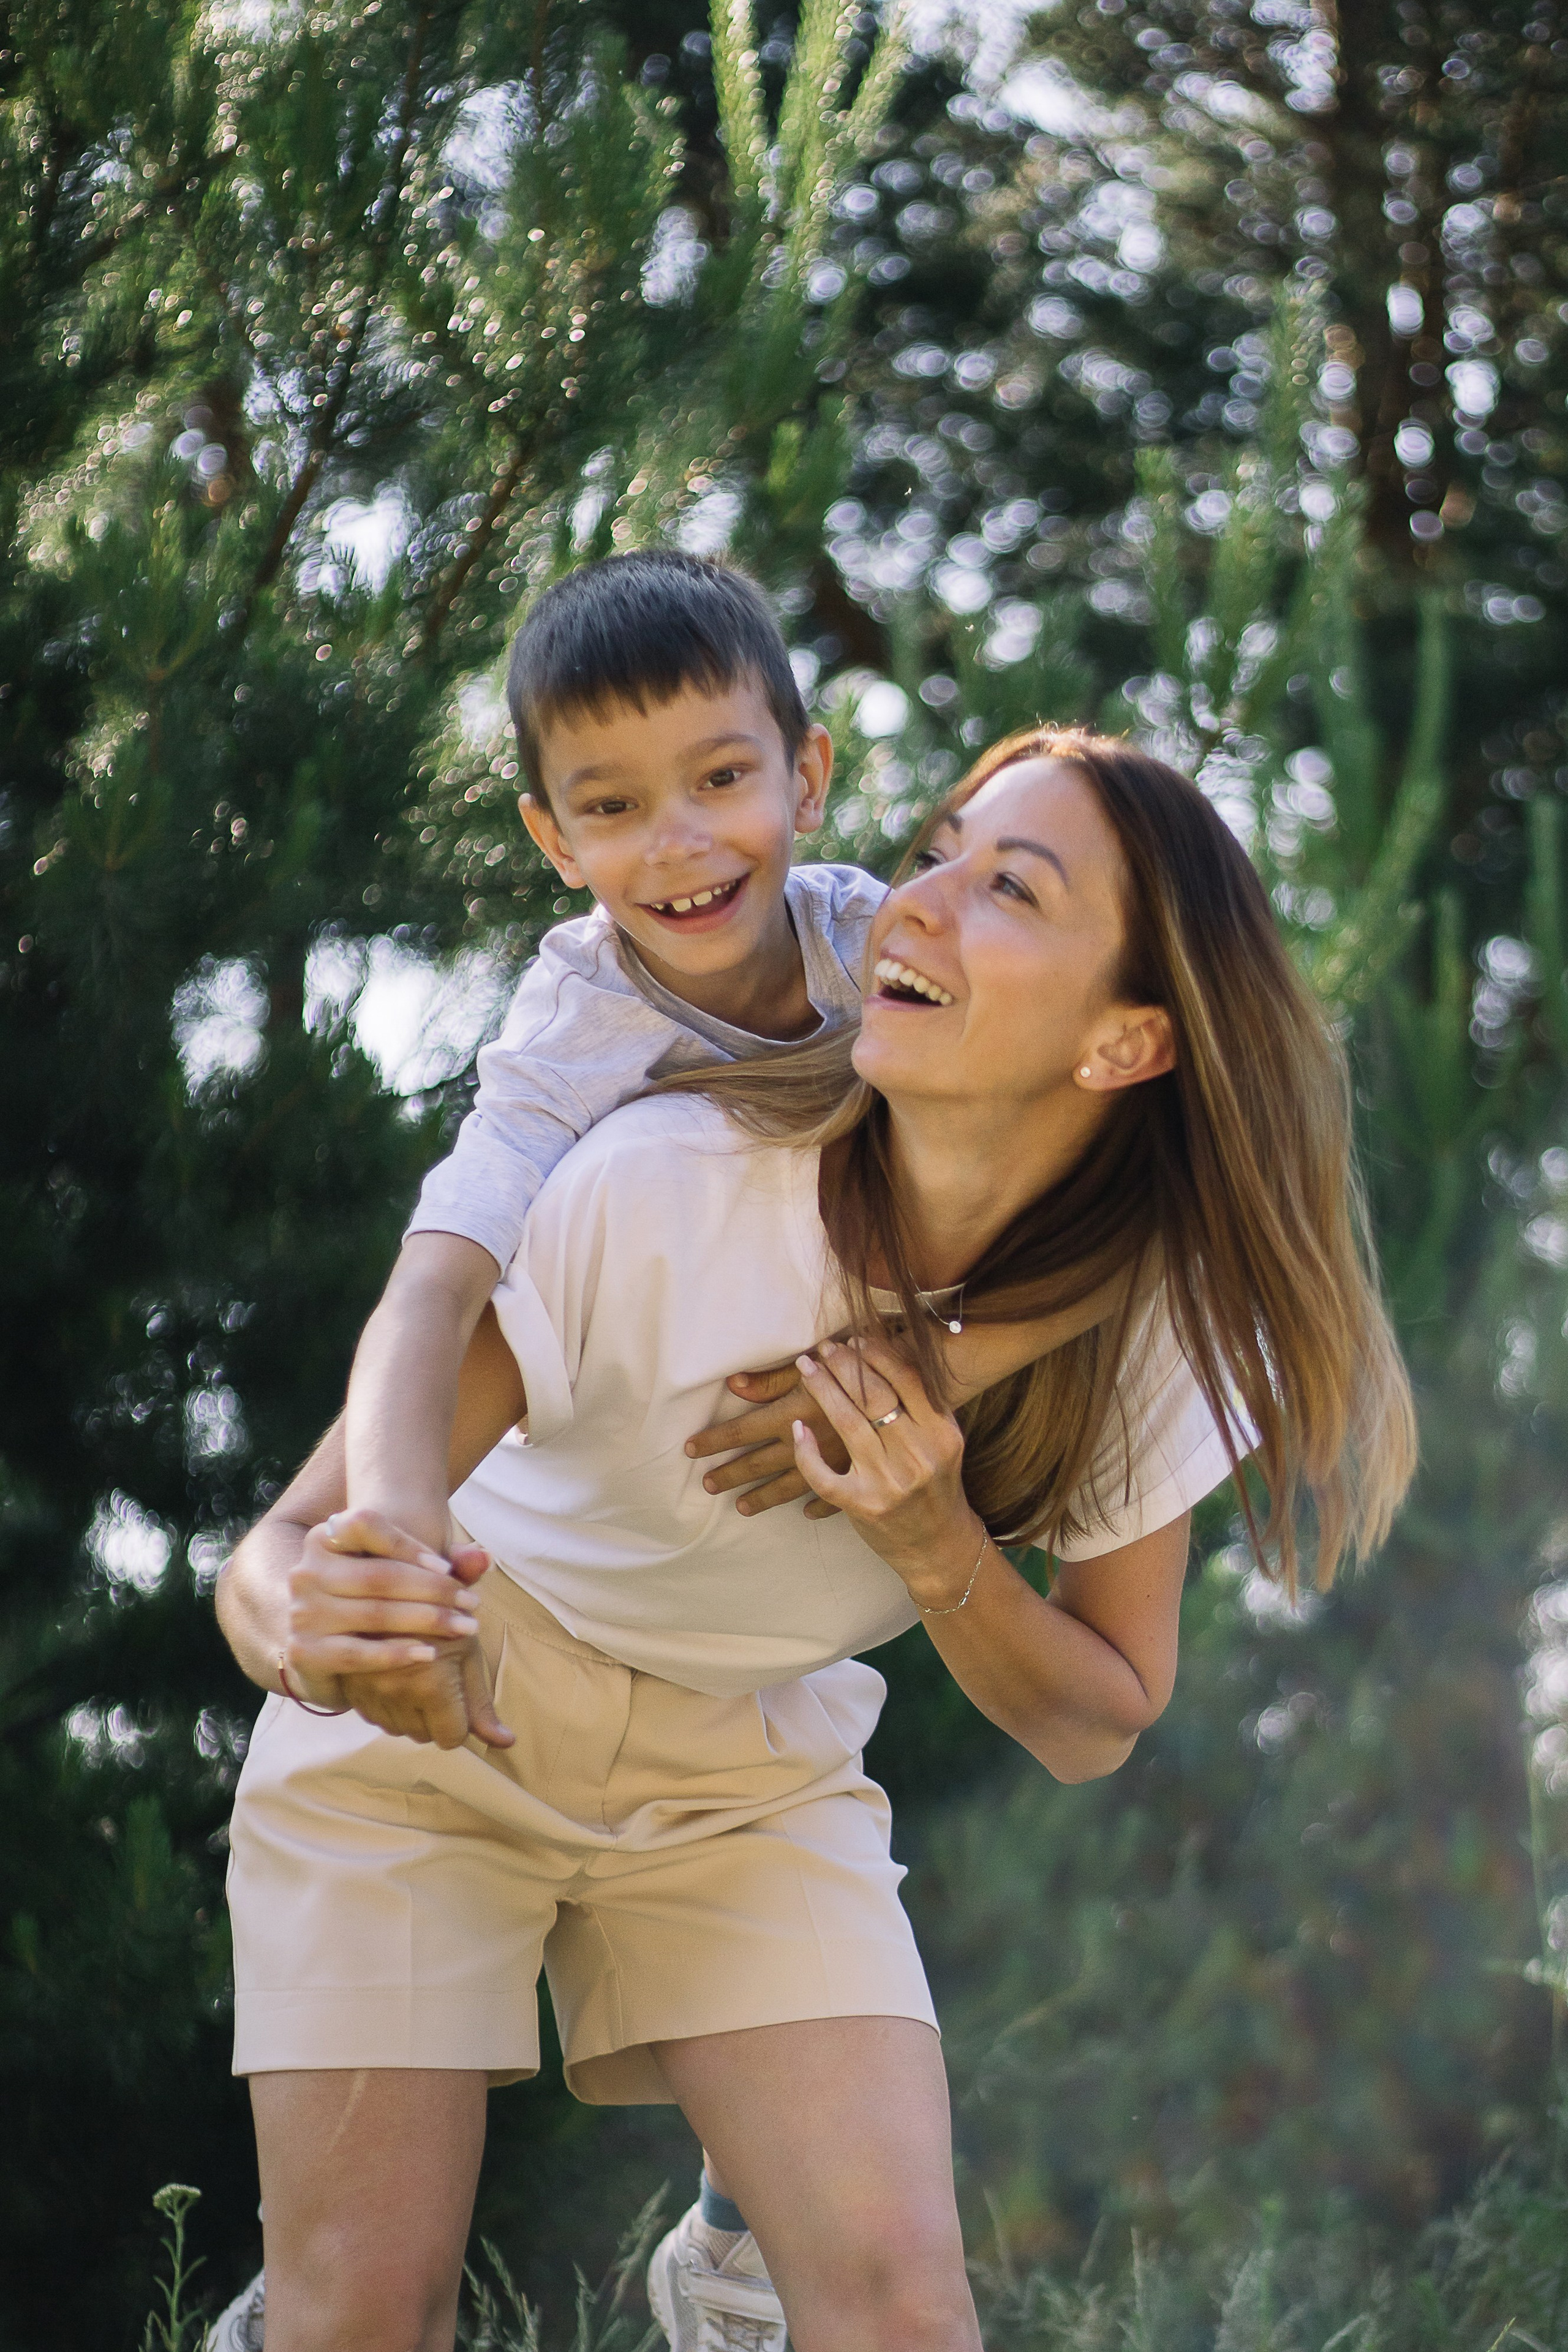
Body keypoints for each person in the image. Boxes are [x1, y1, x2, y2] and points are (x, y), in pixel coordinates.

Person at [215, 729, 1416, 2352]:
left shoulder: (1147, 1334)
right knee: (365, 2317)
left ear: (1127, 1039)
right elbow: (283, 1547)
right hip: (442, 1719)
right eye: (934, 852)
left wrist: (936, 1544)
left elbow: (1096, 1718)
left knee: (901, 2315)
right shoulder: (665, 1180)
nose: (913, 903)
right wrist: (314, 1622)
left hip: (744, 1774)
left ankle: (739, 2258)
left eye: (1010, 889)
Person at [344, 546, 890, 1570]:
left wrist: (949, 1362)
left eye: (721, 779)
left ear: (807, 778)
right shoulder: (575, 1029)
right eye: (611, 807)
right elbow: (435, 1283)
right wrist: (395, 1510)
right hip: (584, 1517)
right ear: (555, 840)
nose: (675, 843)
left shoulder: (877, 946)